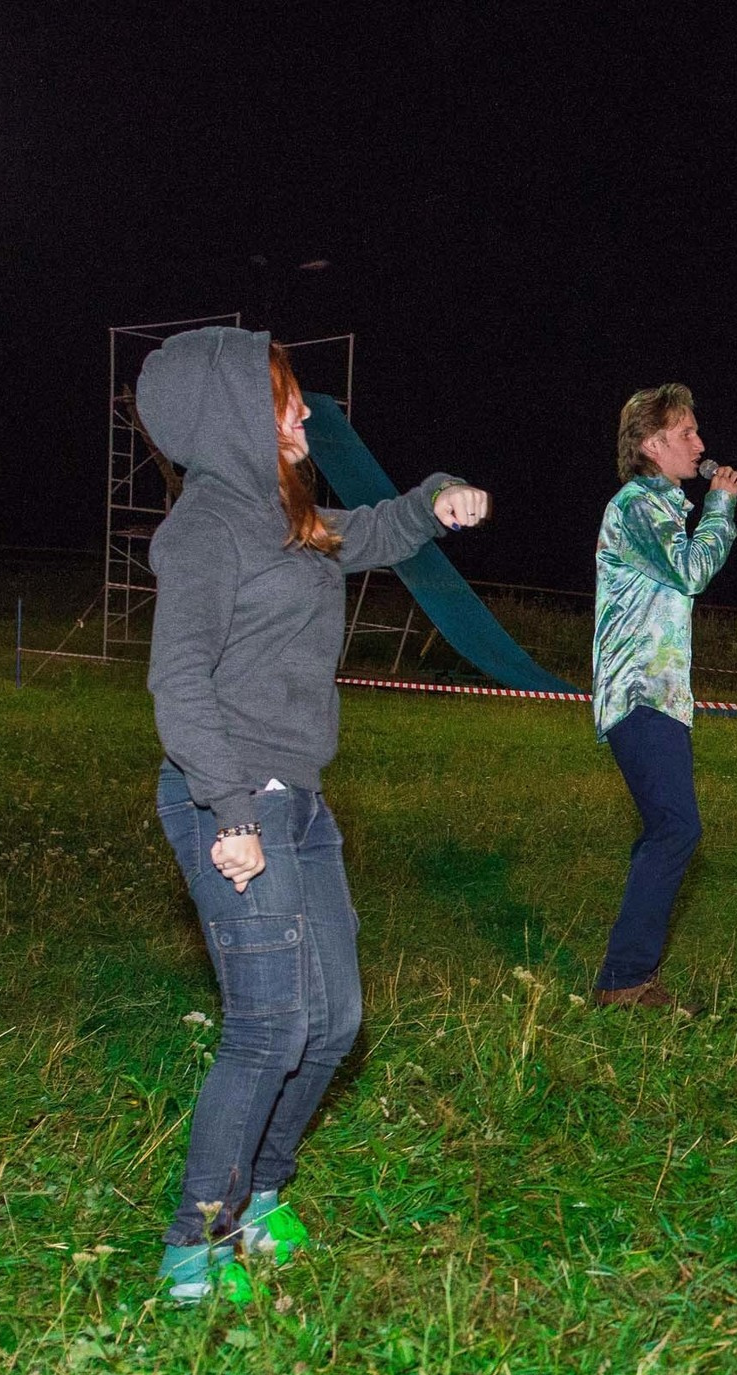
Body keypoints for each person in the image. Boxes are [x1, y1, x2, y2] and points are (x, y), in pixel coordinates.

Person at [141, 328, 488, 1302]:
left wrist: (436, 499)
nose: (301, 411)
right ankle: (194, 1247)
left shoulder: (287, 513)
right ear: (230, 416)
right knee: (267, 1027)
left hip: (299, 801)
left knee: (333, 1021)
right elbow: (177, 682)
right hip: (230, 800)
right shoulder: (208, 528)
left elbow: (372, 532)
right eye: (282, 397)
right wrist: (228, 810)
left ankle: (259, 1199)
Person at [591, 384, 737, 1010]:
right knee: (676, 828)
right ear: (653, 444)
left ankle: (626, 977)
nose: (701, 444)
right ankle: (625, 981)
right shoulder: (636, 506)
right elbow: (691, 571)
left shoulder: (658, 508)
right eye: (687, 433)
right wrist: (721, 507)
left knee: (668, 827)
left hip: (661, 696)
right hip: (639, 692)